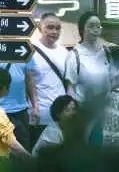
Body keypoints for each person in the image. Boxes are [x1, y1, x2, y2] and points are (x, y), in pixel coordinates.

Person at [64, 11, 119, 145]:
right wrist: (73, 112)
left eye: (98, 26)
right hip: (84, 112)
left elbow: (114, 81)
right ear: (82, 29)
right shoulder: (74, 55)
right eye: (91, 26)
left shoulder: (106, 52)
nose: (95, 30)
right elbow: (71, 88)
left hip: (106, 111)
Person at [29, 13, 71, 146]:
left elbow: (68, 82)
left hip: (61, 116)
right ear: (40, 28)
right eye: (50, 27)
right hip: (39, 115)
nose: (54, 32)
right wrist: (34, 108)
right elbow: (27, 82)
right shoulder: (30, 51)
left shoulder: (64, 52)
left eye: (58, 28)